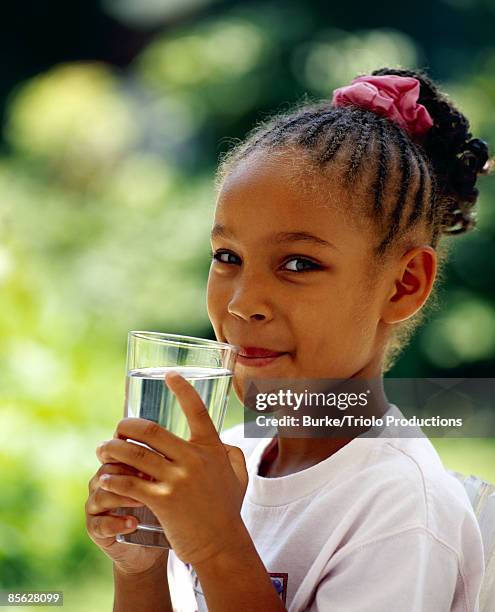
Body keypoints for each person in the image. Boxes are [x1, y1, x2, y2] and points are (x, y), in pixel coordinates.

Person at [85, 67, 493, 611]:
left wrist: (216, 544)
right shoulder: (235, 458)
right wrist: (143, 565)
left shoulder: (399, 506)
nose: (241, 301)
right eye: (228, 257)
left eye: (298, 263)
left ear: (403, 284)